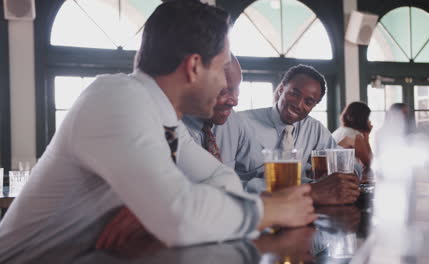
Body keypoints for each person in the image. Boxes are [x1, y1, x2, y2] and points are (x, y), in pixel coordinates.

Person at [0, 2, 316, 262]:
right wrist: (274, 208)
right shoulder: (115, 98)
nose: (224, 86)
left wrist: (153, 211)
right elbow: (179, 218)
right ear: (194, 67)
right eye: (221, 69)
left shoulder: (164, 119)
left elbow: (224, 179)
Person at [240, 64, 360, 205]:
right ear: (281, 89)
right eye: (294, 93)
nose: (298, 104)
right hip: (253, 209)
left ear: (314, 106)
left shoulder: (315, 129)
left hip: (301, 212)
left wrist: (349, 176)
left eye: (308, 102)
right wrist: (307, 188)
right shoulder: (241, 123)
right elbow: (223, 184)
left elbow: (348, 164)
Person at [183, 54, 264, 184]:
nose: (235, 102)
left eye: (237, 90)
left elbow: (260, 173)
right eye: (224, 91)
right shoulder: (169, 128)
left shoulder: (234, 122)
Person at [332, 101, 373, 169]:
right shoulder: (355, 135)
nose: (369, 121)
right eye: (367, 118)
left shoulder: (340, 130)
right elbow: (370, 162)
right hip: (344, 175)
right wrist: (366, 136)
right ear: (362, 118)